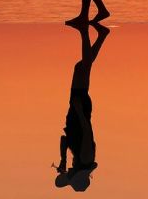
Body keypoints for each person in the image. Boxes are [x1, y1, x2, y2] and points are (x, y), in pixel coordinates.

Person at [54, 21, 110, 192]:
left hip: (77, 109)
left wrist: (63, 159)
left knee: (82, 67)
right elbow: (86, 131)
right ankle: (84, 30)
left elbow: (64, 139)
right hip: (81, 109)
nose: (69, 173)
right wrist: (79, 111)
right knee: (83, 67)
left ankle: (101, 34)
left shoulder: (77, 158)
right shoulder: (85, 158)